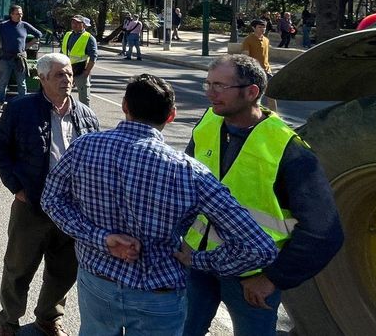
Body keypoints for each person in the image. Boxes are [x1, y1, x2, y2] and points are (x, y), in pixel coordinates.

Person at [41, 74, 278, 336]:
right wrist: (199, 260)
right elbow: (260, 247)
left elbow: (51, 199)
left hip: (98, 282)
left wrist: (102, 238)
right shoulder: (189, 172)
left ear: (125, 106)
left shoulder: (84, 147)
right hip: (158, 295)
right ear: (171, 115)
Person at [183, 55, 344, 336]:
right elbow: (182, 186)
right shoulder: (208, 122)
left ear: (252, 92)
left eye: (219, 86)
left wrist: (272, 279)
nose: (210, 93)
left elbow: (324, 232)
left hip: (251, 278)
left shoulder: (288, 149)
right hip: (198, 264)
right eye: (207, 84)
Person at [0, 53, 101, 336]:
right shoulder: (21, 109)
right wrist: (16, 187)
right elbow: (0, 148)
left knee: (64, 270)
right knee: (18, 269)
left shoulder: (85, 115)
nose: (66, 80)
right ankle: (9, 321)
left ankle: (49, 317)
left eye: (68, 74)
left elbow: (96, 160)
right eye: (59, 75)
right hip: (33, 207)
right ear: (42, 79)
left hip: (72, 210)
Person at [0, 5, 43, 111]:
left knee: (22, 83)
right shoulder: (3, 25)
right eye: (17, 13)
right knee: (3, 83)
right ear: (11, 14)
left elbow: (39, 34)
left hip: (20, 59)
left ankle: (23, 105)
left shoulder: (25, 25)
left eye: (21, 13)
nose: (20, 15)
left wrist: (28, 46)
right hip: (6, 59)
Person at [240, 19, 277, 111]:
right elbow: (245, 57)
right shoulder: (248, 40)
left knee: (272, 94)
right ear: (253, 28)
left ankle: (275, 116)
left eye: (264, 27)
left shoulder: (266, 40)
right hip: (254, 72)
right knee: (256, 95)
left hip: (267, 71)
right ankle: (253, 115)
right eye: (260, 27)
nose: (263, 29)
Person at [61, 15, 97, 107]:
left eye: (78, 23)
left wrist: (87, 71)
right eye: (73, 22)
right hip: (67, 70)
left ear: (83, 25)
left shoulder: (88, 38)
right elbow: (62, 52)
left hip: (80, 71)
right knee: (62, 95)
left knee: (84, 98)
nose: (74, 25)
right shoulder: (68, 34)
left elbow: (93, 57)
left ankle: (85, 117)